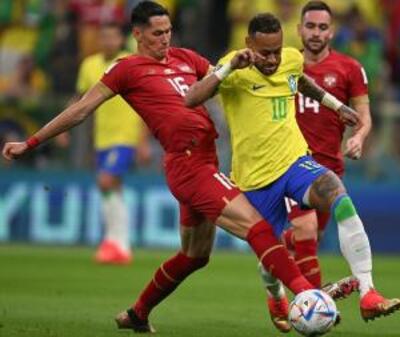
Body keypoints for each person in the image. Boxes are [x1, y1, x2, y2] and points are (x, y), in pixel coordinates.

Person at [2, 1, 348, 333]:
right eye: (157, 33)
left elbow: (222, 81)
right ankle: (308, 294)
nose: (165, 38)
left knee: (195, 255)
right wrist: (30, 143)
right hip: (187, 165)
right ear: (137, 34)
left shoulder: (186, 58)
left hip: (207, 159)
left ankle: (137, 314)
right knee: (258, 229)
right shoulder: (126, 70)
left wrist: (267, 68)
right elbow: (79, 110)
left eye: (168, 31)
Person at [185, 11, 400, 329]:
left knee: (338, 197)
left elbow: (300, 80)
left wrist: (336, 105)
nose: (273, 59)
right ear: (248, 44)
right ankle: (275, 296)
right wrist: (230, 66)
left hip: (295, 161)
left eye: (277, 51)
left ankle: (368, 293)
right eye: (265, 52)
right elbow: (191, 98)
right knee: (271, 258)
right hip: (254, 178)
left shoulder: (290, 58)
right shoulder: (233, 66)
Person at [252, 1, 378, 331]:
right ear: (300, 29)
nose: (316, 33)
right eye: (311, 26)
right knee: (306, 232)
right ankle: (321, 310)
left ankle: (276, 286)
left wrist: (359, 137)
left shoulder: (350, 68)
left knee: (294, 242)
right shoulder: (282, 65)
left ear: (332, 31)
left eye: (323, 27)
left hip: (328, 169)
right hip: (291, 164)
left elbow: (364, 116)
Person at [75, 23, 149, 264]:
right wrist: (62, 130)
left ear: (120, 40)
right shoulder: (89, 65)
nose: (108, 41)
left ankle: (117, 241)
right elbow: (81, 99)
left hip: (125, 136)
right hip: (102, 138)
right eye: (103, 36)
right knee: (111, 187)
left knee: (105, 180)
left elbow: (146, 102)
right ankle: (117, 244)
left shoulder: (130, 63)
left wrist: (142, 142)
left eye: (112, 37)